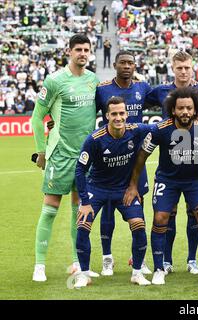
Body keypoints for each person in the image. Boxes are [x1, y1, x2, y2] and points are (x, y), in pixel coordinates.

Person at [123, 86, 198, 285]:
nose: (185, 112)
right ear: (173, 110)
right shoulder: (160, 129)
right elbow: (141, 156)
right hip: (167, 181)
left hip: (195, 181)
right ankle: (159, 268)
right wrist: (133, 185)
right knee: (160, 218)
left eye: (189, 108)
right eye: (181, 108)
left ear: (196, 110)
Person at [31, 34, 100, 282]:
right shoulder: (55, 81)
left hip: (85, 158)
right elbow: (37, 118)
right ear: (69, 51)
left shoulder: (93, 80)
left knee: (79, 212)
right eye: (78, 49)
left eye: (86, 49)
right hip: (60, 155)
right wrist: (41, 152)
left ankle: (76, 262)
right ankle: (39, 265)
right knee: (50, 209)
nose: (83, 53)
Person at [147, 51, 198, 275]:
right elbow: (134, 104)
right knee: (168, 215)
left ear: (192, 67)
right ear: (172, 68)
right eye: (179, 68)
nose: (183, 71)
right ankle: (166, 261)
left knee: (195, 213)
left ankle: (192, 260)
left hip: (195, 162)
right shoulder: (160, 91)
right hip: (169, 162)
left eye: (187, 67)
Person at [73, 96, 152, 288]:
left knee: (139, 225)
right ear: (107, 115)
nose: (118, 117)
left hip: (123, 190)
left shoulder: (136, 131)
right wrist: (84, 202)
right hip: (97, 189)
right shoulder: (94, 139)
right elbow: (80, 170)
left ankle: (137, 272)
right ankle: (84, 274)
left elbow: (161, 129)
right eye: (114, 114)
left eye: (122, 113)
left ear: (127, 114)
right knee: (83, 226)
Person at [95, 51, 153, 276]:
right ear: (114, 64)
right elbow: (90, 117)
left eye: (131, 63)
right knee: (108, 206)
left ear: (135, 65)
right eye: (123, 63)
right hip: (109, 156)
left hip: (136, 158)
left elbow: (168, 99)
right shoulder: (102, 89)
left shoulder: (143, 88)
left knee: (138, 204)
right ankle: (107, 258)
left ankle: (138, 258)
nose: (127, 66)